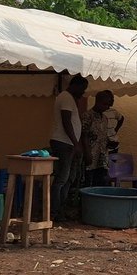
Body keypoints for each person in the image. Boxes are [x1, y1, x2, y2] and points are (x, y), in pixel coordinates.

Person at [50, 74, 88, 221]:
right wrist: (76, 143)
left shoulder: (70, 99)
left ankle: (61, 210)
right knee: (61, 179)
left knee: (69, 179)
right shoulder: (65, 97)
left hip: (69, 144)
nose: (83, 92)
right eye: (82, 89)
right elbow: (66, 122)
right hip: (63, 143)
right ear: (75, 86)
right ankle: (54, 211)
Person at [81, 90, 115, 187]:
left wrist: (109, 142)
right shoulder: (87, 116)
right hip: (91, 155)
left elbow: (102, 134)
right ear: (98, 101)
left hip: (102, 157)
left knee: (102, 181)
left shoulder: (104, 118)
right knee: (89, 182)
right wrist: (87, 153)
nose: (107, 107)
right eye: (105, 104)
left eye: (109, 105)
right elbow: (84, 135)